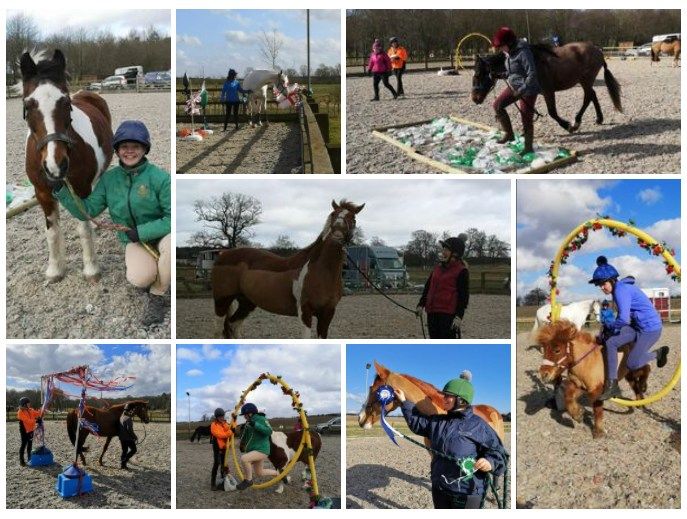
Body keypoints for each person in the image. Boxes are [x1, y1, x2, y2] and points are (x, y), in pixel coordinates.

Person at [54, 120, 171, 328]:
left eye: (136, 146)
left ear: (145, 148)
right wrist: (61, 190)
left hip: (162, 234)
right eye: (124, 147)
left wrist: (143, 231)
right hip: (133, 239)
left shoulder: (161, 178)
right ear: (117, 150)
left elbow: (172, 218)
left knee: (170, 249)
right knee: (139, 278)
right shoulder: (109, 180)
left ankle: (158, 295)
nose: (130, 152)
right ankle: (157, 272)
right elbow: (87, 211)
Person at [393, 372, 507, 509]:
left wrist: (490, 462)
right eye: (444, 395)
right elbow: (417, 423)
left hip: (466, 492)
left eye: (448, 396)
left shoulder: (479, 426)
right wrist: (404, 402)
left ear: (461, 399)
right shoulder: (437, 421)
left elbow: (499, 453)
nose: (444, 398)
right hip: (440, 488)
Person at [589, 256, 669, 400]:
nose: (601, 287)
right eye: (599, 285)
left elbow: (623, 319)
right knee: (611, 342)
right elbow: (623, 318)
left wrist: (610, 326)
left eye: (603, 284)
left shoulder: (621, 291)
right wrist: (610, 331)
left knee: (632, 363)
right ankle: (612, 385)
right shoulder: (618, 289)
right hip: (636, 326)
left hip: (650, 329)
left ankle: (658, 353)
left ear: (612, 280)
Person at [491, 26, 542, 155]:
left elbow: (532, 73)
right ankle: (509, 134)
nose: (500, 49)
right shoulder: (509, 53)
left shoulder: (523, 52)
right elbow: (511, 71)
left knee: (526, 117)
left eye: (502, 46)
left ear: (509, 42)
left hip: (528, 88)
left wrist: (523, 89)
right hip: (515, 86)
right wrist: (501, 74)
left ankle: (528, 147)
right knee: (497, 105)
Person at [417, 236, 470, 339]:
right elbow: (428, 287)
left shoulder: (461, 271)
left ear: (455, 253)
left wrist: (459, 316)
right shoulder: (437, 268)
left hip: (448, 315)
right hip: (432, 312)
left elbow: (463, 296)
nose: (443, 252)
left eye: (446, 250)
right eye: (443, 249)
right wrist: (421, 304)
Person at [235, 403, 278, 490]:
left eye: (245, 415)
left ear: (251, 413)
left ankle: (248, 480)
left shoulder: (261, 419)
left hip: (262, 449)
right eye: (244, 415)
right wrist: (241, 443)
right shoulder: (248, 422)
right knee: (259, 472)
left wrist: (255, 424)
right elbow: (246, 436)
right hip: (254, 450)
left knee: (244, 459)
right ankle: (279, 474)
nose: (244, 417)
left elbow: (269, 431)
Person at [210, 407, 233, 490]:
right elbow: (220, 434)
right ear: (216, 417)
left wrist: (234, 421)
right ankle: (213, 483)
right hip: (216, 447)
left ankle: (224, 480)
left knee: (224, 463)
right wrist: (229, 433)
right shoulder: (214, 425)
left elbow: (229, 428)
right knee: (216, 463)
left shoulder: (224, 423)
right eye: (220, 417)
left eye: (222, 416)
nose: (222, 418)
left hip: (224, 447)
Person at [17, 397, 42, 466]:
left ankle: (29, 458)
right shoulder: (20, 412)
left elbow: (37, 414)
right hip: (24, 431)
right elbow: (28, 421)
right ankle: (21, 460)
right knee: (23, 445)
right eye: (28, 403)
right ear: (24, 404)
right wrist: (36, 421)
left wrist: (42, 410)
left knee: (30, 444)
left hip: (31, 430)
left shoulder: (30, 410)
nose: (29, 404)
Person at [118, 403, 138, 470]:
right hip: (127, 438)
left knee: (124, 450)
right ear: (129, 410)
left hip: (121, 438)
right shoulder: (128, 418)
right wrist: (135, 437)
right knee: (134, 450)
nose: (132, 412)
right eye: (131, 411)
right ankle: (124, 462)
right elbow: (130, 430)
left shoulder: (121, 417)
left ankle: (122, 464)